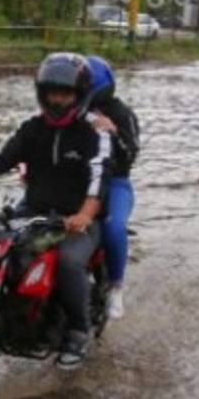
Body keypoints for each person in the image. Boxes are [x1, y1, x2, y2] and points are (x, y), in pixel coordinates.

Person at [0, 53, 111, 369]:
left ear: (79, 95)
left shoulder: (95, 132)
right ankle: (11, 316)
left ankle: (78, 330)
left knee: (68, 261)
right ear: (41, 92)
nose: (57, 99)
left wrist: (85, 215)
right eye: (51, 92)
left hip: (76, 220)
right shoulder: (32, 126)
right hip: (33, 210)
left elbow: (99, 178)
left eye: (65, 93)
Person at [83, 56, 139, 319]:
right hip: (77, 183)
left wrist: (114, 132)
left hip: (115, 183)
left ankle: (116, 286)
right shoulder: (71, 111)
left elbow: (130, 155)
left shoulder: (121, 113)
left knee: (114, 226)